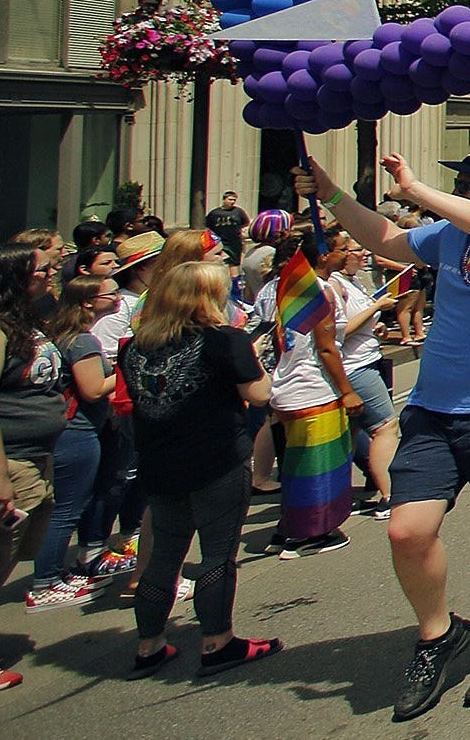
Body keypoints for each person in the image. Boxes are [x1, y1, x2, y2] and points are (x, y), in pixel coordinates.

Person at [305, 145, 470, 717]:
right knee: (407, 530)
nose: (457, 191)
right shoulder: (450, 236)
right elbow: (383, 239)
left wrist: (418, 190)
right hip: (434, 409)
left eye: (468, 183)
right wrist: (329, 191)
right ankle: (437, 635)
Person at [118, 253, 278, 676]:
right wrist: (255, 356)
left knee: (163, 556)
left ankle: (149, 644)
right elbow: (259, 394)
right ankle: (217, 641)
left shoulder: (135, 346)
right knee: (217, 553)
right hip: (216, 460)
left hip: (159, 462)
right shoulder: (224, 340)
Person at [255, 232, 364, 560]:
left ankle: (288, 526)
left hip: (288, 385)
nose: (347, 254)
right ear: (322, 256)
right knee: (319, 465)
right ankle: (310, 533)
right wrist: (347, 391)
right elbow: (327, 347)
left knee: (296, 465)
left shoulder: (289, 284)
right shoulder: (321, 289)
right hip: (313, 387)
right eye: (341, 250)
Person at [0, 242, 65, 693]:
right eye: (39, 271)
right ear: (11, 279)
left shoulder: (26, 323)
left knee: (6, 561)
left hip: (35, 460)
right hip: (8, 465)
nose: (50, 274)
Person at [22, 270, 115, 611]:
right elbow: (92, 390)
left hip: (68, 430)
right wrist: (124, 372)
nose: (117, 298)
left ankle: (54, 575)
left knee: (64, 507)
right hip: (77, 431)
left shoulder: (60, 334)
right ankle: (45, 583)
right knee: (65, 511)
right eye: (110, 293)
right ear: (88, 302)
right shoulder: (83, 340)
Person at [327, 232, 402, 519]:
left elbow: (357, 324)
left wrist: (376, 326)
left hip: (367, 358)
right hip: (355, 367)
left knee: (350, 433)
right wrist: (375, 307)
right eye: (356, 250)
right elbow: (339, 331)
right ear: (340, 255)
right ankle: (390, 495)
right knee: (385, 427)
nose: (364, 255)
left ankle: (339, 497)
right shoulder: (333, 285)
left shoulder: (352, 281)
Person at [203, 193, 252, 264]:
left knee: (234, 263)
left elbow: (246, 223)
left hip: (234, 242)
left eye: (234, 200)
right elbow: (208, 227)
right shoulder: (214, 213)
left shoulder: (238, 211)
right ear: (224, 200)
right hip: (219, 241)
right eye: (230, 199)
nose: (232, 202)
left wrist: (241, 233)